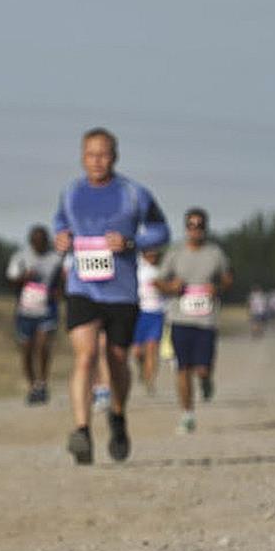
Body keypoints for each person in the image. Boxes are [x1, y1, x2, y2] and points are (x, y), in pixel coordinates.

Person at [53, 128, 170, 464]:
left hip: (121, 291)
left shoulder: (134, 194)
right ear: (82, 157)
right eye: (91, 154)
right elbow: (59, 225)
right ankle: (82, 430)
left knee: (117, 360)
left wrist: (132, 243)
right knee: (86, 356)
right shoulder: (71, 192)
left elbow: (161, 230)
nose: (97, 161)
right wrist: (60, 238)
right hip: (82, 288)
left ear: (114, 157)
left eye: (103, 154)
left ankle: (117, 417)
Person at [155, 208, 233, 433]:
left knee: (201, 369)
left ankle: (206, 381)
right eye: (191, 225)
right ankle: (187, 414)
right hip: (180, 318)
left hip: (206, 320)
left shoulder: (215, 253)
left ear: (205, 228)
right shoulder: (175, 252)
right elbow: (158, 281)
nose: (195, 230)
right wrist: (171, 287)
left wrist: (217, 288)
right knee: (183, 369)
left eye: (199, 225)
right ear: (186, 227)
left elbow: (228, 278)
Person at [5, 225, 63, 404]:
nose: (39, 244)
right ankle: (32, 386)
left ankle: (43, 383)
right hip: (25, 311)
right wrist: (24, 277)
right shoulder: (20, 257)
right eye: (36, 241)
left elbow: (63, 281)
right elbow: (11, 280)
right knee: (27, 350)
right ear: (31, 242)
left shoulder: (55, 259)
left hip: (47, 310)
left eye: (43, 241)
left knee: (43, 345)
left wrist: (59, 293)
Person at [131, 248, 167, 394]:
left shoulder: (163, 269)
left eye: (155, 252)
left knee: (152, 348)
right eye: (149, 252)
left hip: (157, 313)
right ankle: (141, 368)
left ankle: (150, 380)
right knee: (137, 352)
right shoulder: (137, 267)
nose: (153, 255)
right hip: (139, 312)